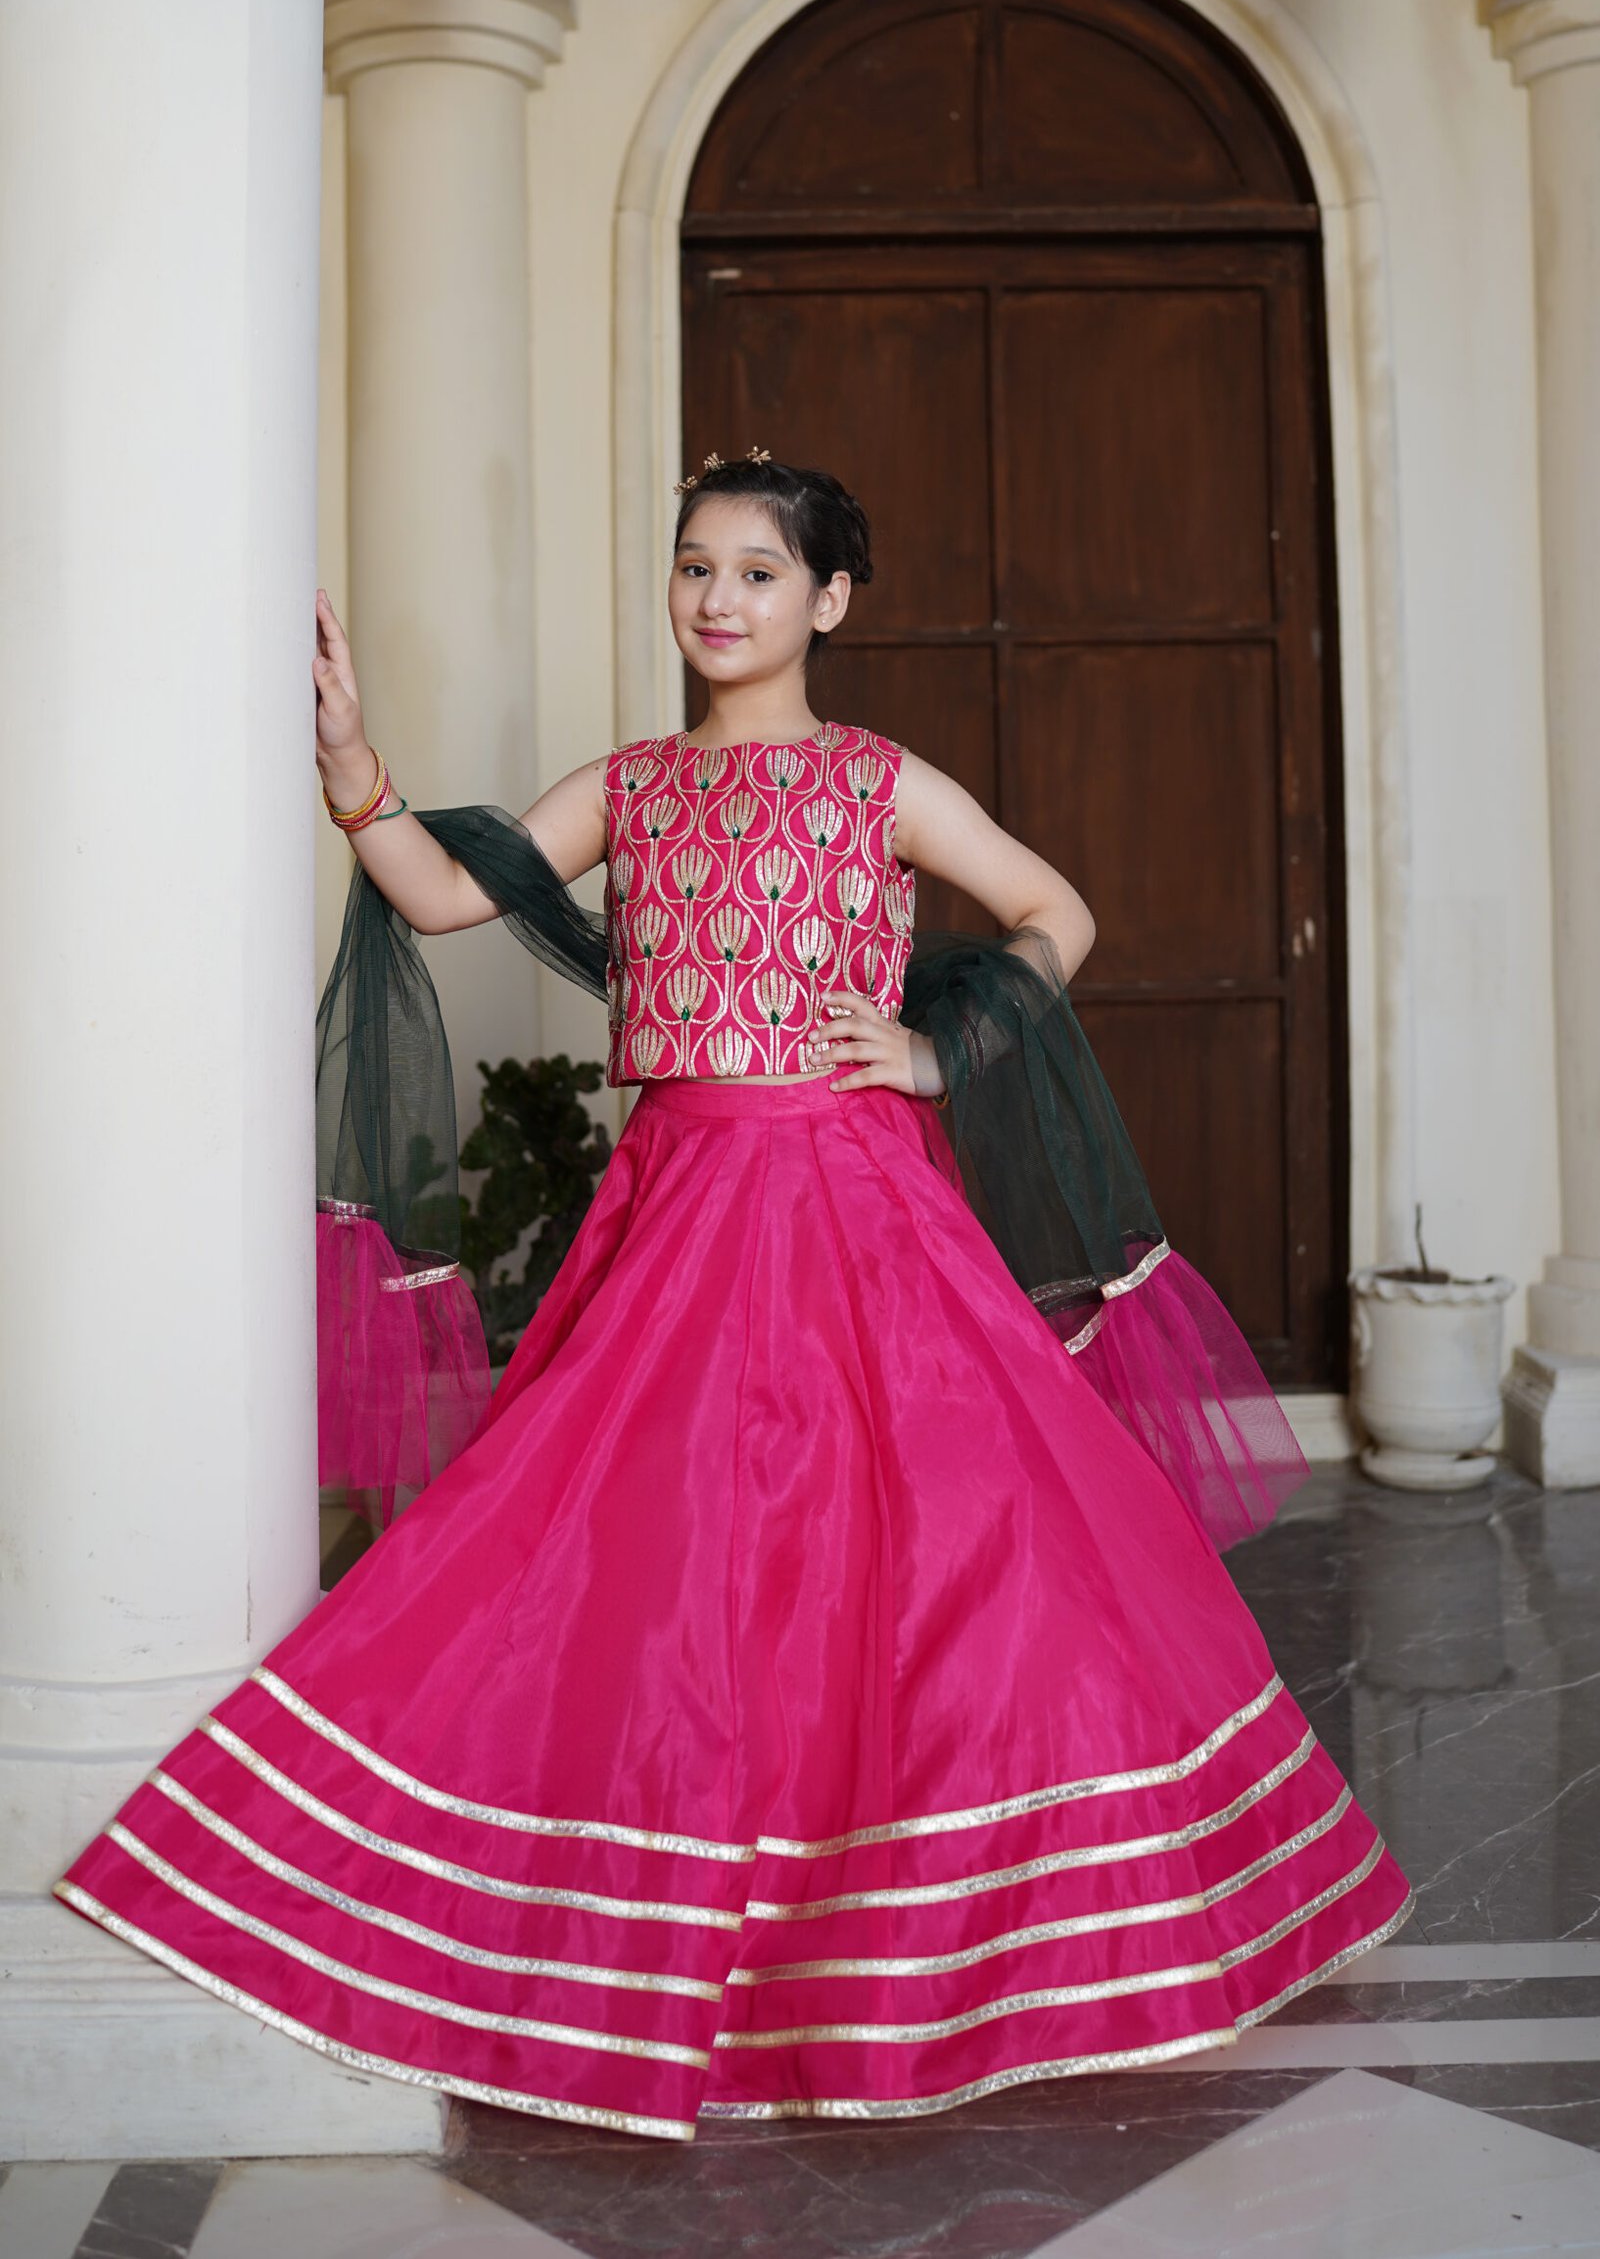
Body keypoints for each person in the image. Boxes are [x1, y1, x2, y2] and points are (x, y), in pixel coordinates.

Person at [54, 454, 1410, 2143]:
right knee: (653, 1561)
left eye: (760, 575)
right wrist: (345, 757)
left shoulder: (873, 782)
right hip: (679, 1215)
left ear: (828, 603)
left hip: (860, 1214)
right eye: (696, 568)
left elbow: (1058, 908)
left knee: (939, 1556)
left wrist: (935, 1045)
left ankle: (935, 1951)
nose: (719, 601)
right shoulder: (629, 789)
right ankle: (662, 1925)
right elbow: (439, 889)